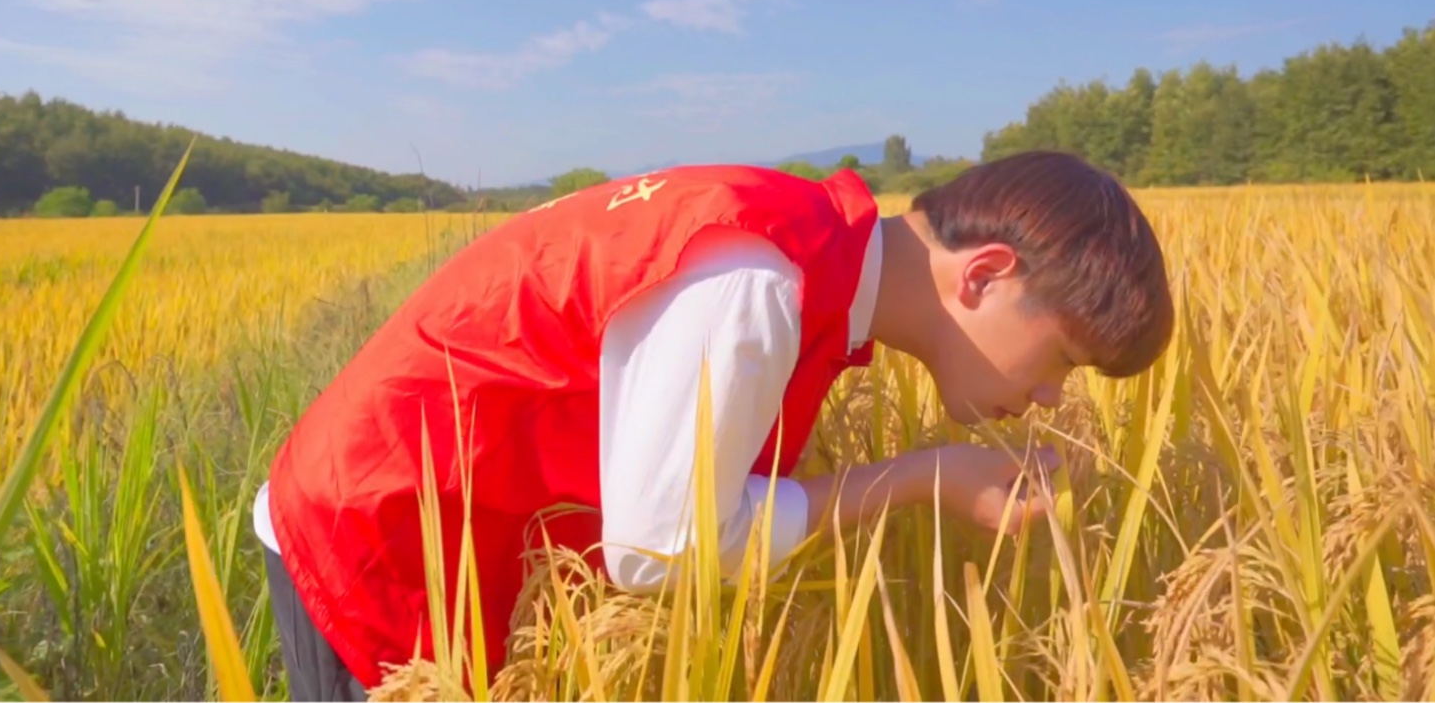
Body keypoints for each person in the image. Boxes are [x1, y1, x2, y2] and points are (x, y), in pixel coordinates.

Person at [252, 150, 1174, 699]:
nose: (1052, 395)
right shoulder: (761, 281)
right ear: (983, 275)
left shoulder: (800, 252)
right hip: (369, 543)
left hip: (425, 534)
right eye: (1062, 358)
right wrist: (918, 475)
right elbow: (659, 548)